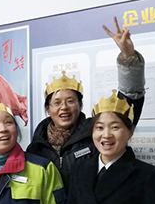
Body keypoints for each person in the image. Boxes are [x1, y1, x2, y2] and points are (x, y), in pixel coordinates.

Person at [27, 17, 145, 190]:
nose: (64, 107)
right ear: (48, 109)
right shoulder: (36, 146)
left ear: (80, 106)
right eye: (57, 103)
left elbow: (130, 98)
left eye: (70, 101)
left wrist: (128, 59)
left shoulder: (96, 132)